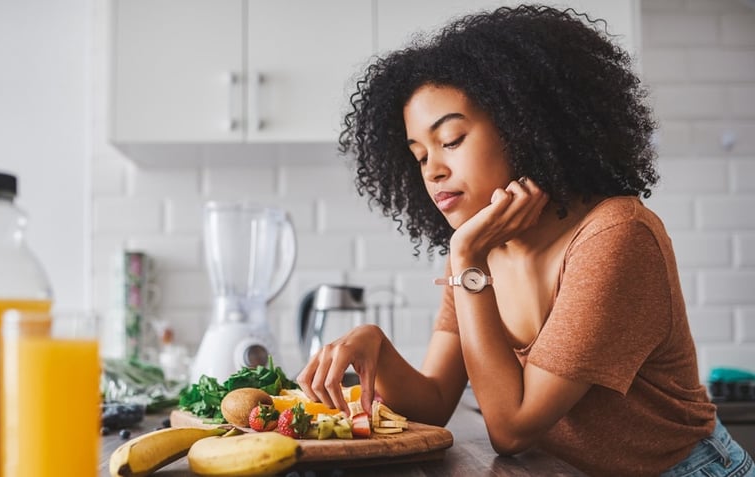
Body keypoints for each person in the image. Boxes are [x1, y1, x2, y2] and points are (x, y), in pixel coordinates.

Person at [296, 4, 754, 476]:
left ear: (524, 126)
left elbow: (512, 430)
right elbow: (433, 403)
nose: (432, 171)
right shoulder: (483, 245)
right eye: (419, 155)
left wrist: (467, 260)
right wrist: (376, 345)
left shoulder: (615, 235)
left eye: (451, 139)